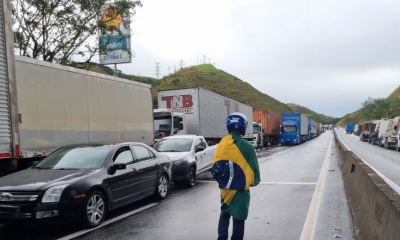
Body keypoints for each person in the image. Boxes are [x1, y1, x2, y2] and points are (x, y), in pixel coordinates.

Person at [212, 112, 261, 240]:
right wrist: (252, 182)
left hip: (225, 189)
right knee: (239, 219)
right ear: (243, 126)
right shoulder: (247, 147)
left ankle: (221, 238)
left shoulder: (221, 144)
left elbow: (215, 166)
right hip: (240, 190)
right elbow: (255, 171)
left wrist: (224, 181)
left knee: (225, 213)